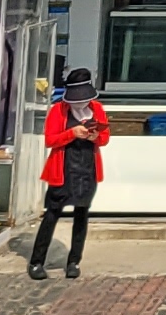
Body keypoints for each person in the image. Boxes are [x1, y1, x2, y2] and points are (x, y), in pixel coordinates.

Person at [27, 68, 111, 279]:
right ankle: (36, 262)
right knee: (52, 214)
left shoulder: (97, 108)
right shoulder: (58, 110)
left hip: (87, 168)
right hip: (63, 169)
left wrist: (94, 137)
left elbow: (105, 137)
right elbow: (50, 140)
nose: (81, 104)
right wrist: (71, 133)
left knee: (82, 214)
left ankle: (74, 261)